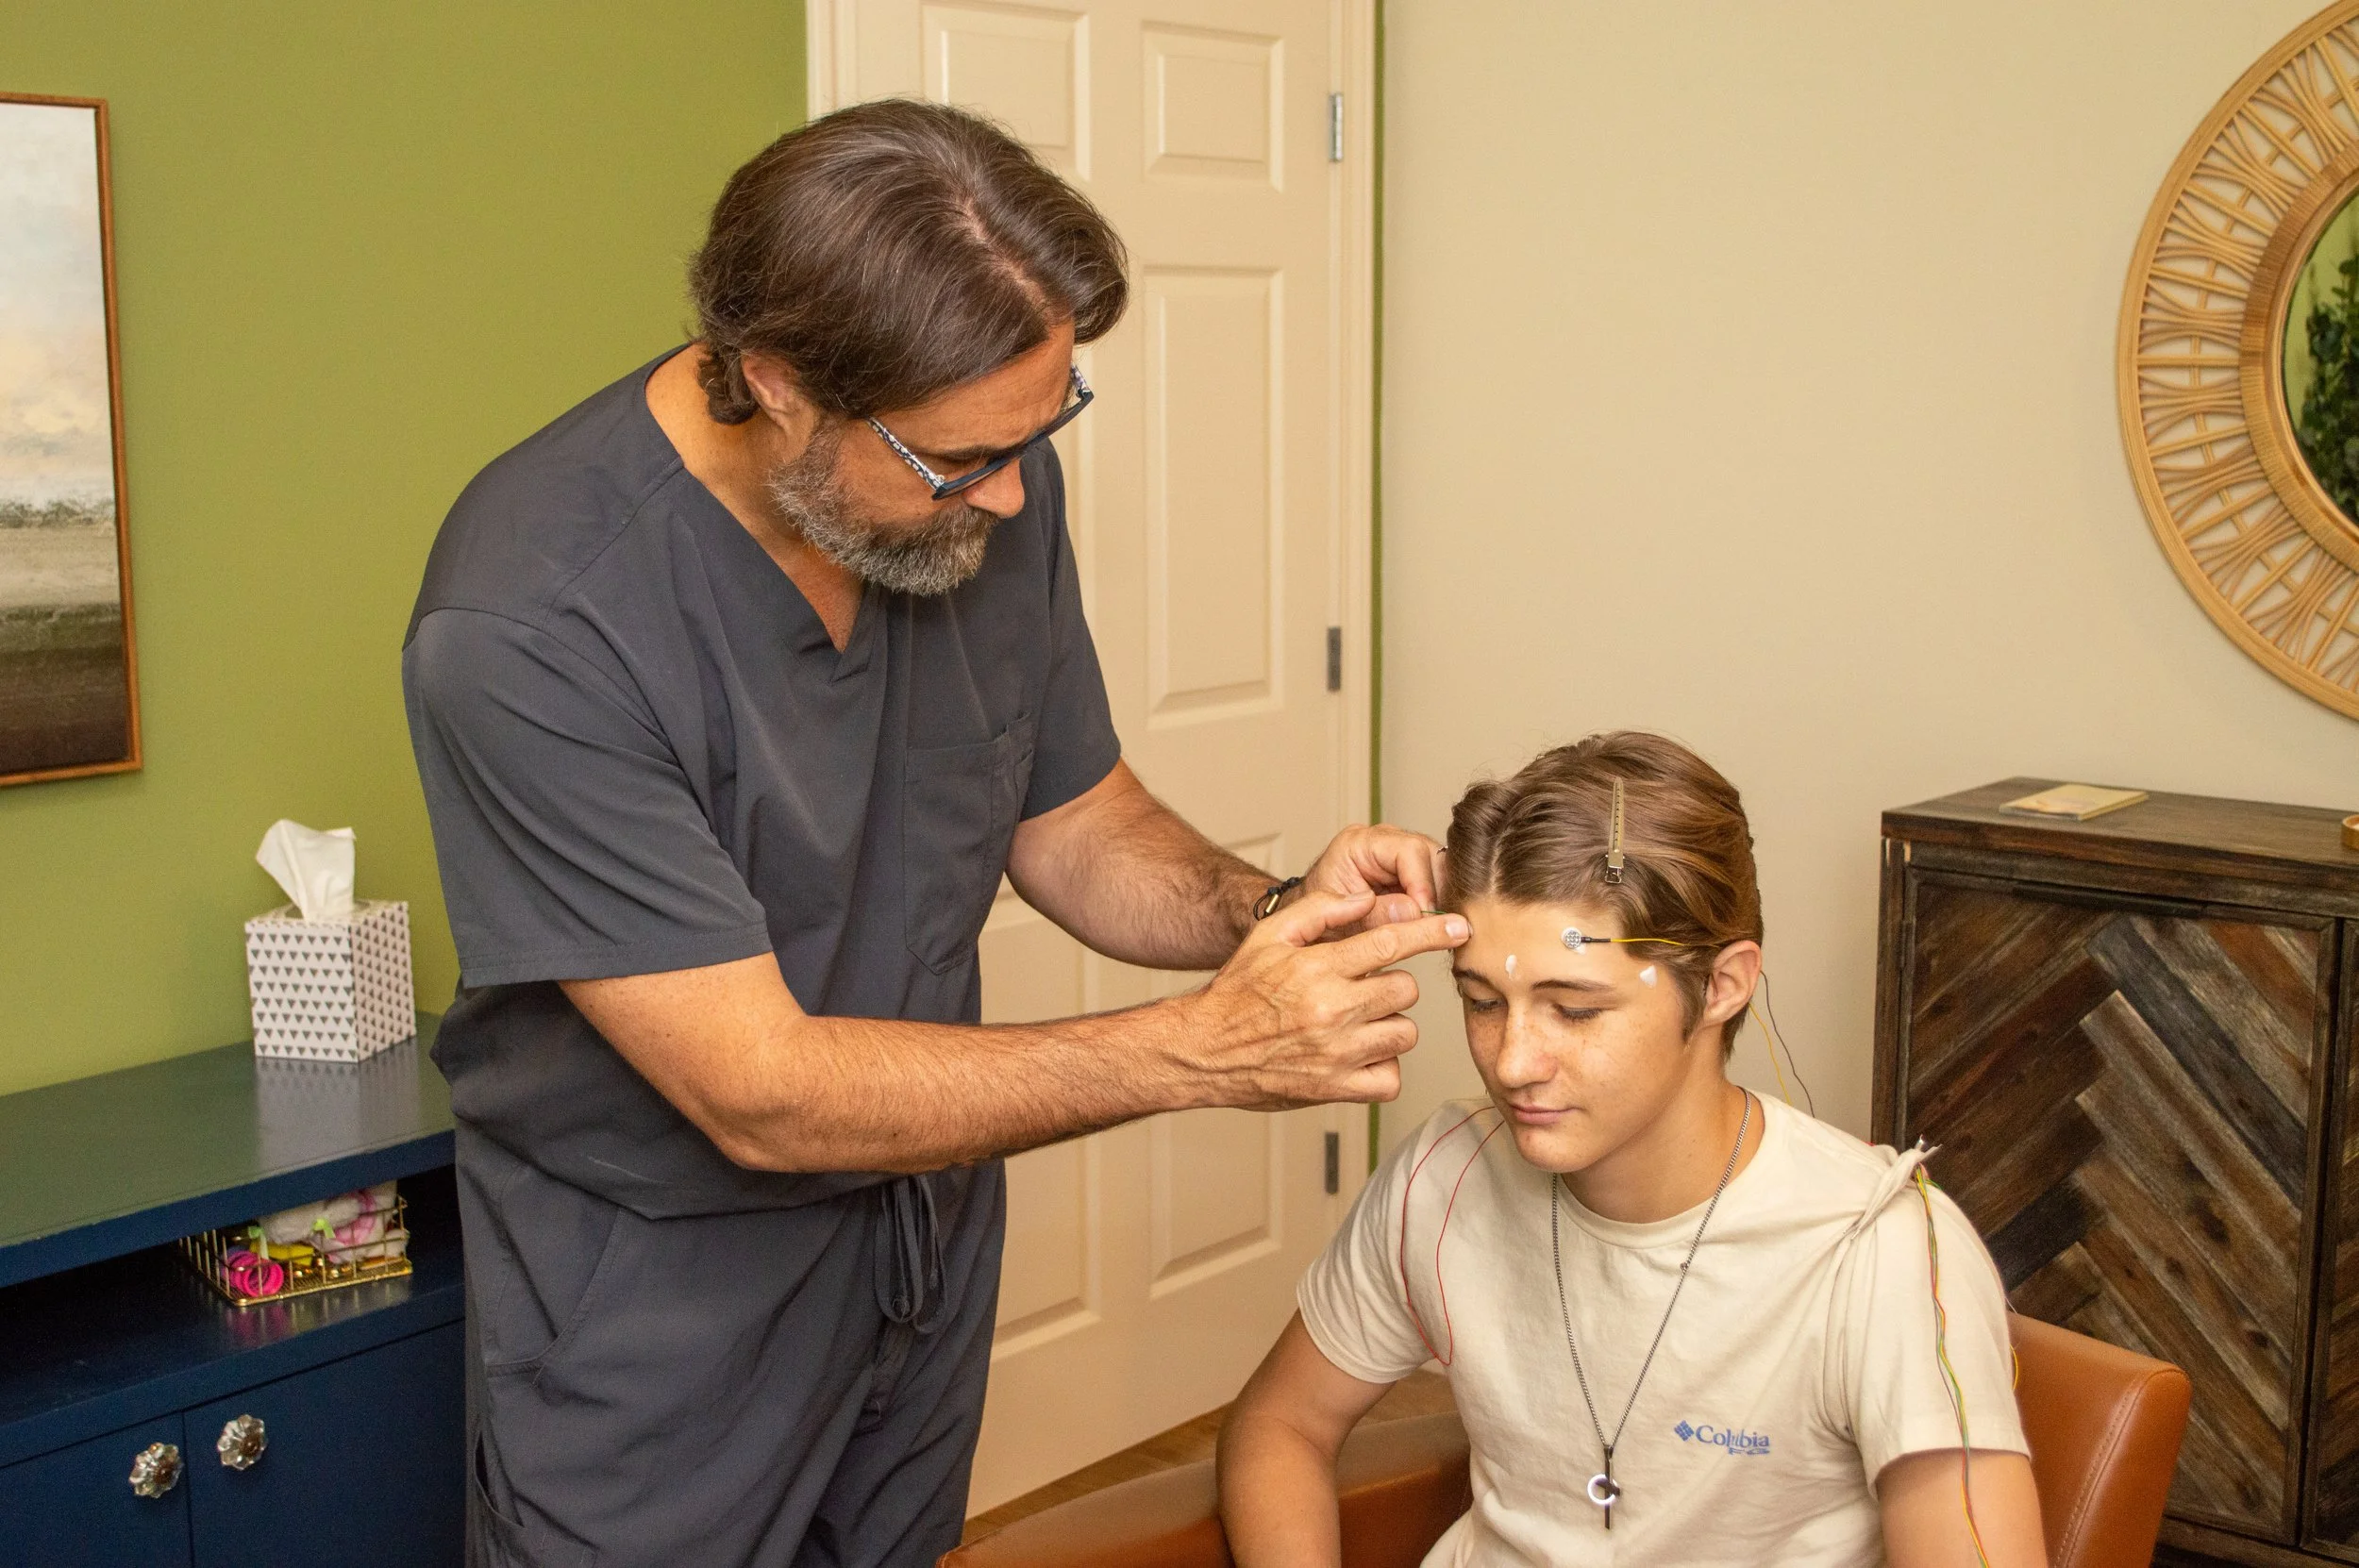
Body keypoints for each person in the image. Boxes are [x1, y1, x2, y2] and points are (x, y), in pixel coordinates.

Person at [402, 100, 1465, 1568]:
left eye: (1044, 428)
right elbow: (760, 1091)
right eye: (968, 459)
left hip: (918, 1243)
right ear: (774, 384)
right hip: (661, 1294)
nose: (1017, 493)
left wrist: (1268, 905)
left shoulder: (973, 471)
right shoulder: (534, 619)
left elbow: (1076, 817)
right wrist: (1205, 1048)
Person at [1218, 732, 2046, 1567]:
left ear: (1723, 984)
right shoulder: (1445, 1177)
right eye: (1481, 1001)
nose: (1512, 1062)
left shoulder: (1879, 1253)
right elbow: (1279, 1425)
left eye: (1574, 1011)